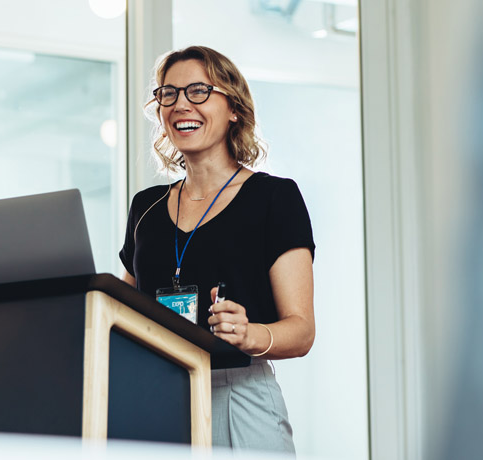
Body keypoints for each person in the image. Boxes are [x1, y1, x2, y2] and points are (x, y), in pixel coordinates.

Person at [119, 46, 315, 453]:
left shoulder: (274, 197)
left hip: (238, 395)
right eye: (167, 94)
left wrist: (249, 333)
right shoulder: (146, 207)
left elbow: (301, 331)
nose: (179, 105)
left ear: (234, 109)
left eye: (197, 91)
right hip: (157, 397)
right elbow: (124, 314)